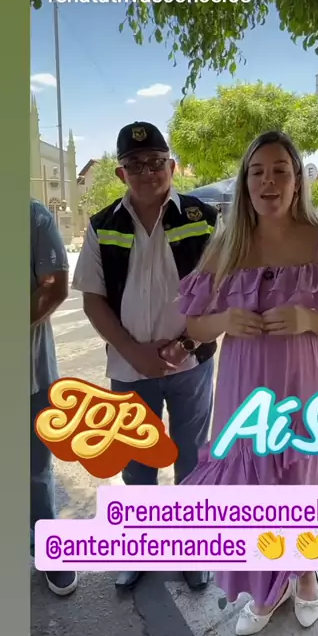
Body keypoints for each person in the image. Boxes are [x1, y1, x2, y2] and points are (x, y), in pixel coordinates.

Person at [178, 130, 318, 636]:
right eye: (257, 172)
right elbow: (194, 327)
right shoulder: (226, 246)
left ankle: (305, 572)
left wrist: (309, 319)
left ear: (297, 182)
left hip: (305, 386)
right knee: (251, 492)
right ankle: (268, 587)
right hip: (243, 391)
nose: (268, 181)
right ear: (245, 182)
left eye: (280, 171)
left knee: (302, 483)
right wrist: (225, 319)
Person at [72, 121, 218, 591]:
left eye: (156, 162)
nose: (147, 172)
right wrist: (133, 351)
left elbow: (221, 290)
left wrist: (186, 344)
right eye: (135, 165)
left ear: (171, 166)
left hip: (192, 364)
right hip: (130, 368)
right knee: (137, 462)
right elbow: (93, 300)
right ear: (121, 173)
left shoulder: (203, 217)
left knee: (192, 457)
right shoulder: (103, 225)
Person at [31, 199, 78, 596]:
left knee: (34, 470)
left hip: (30, 375)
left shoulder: (32, 217)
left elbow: (55, 287)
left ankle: (46, 548)